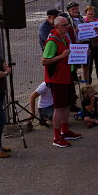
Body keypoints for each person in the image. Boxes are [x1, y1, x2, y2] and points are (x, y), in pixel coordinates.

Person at [41, 16, 83, 148]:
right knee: (59, 108)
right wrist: (61, 56)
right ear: (57, 26)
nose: (67, 27)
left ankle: (65, 131)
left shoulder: (64, 38)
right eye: (64, 25)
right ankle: (57, 137)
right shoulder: (52, 42)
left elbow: (70, 54)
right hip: (57, 79)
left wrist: (81, 53)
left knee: (67, 105)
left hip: (67, 76)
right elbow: (44, 61)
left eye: (68, 24)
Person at [83, 5, 98, 85]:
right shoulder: (83, 22)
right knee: (89, 65)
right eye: (89, 11)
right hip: (88, 46)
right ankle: (88, 82)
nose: (91, 12)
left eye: (92, 11)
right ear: (86, 13)